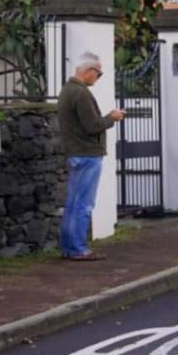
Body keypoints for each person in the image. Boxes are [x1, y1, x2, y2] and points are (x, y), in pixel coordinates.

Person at [56, 52, 125, 261]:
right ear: (89, 71)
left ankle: (68, 247)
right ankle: (78, 248)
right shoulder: (82, 94)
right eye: (99, 73)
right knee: (84, 204)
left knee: (72, 203)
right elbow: (92, 126)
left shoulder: (66, 91)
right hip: (87, 154)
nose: (98, 78)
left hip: (75, 152)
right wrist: (112, 118)